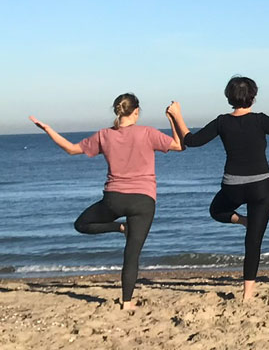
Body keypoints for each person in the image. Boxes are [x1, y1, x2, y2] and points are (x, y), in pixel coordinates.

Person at [29, 94, 183, 310]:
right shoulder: (147, 132)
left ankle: (120, 228)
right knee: (132, 254)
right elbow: (178, 145)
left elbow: (71, 149)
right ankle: (127, 302)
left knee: (81, 224)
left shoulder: (104, 135)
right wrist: (172, 119)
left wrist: (48, 130)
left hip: (114, 199)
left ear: (117, 111)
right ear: (136, 112)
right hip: (144, 201)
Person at [168, 77, 269, 299]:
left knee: (217, 211)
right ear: (253, 96)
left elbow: (192, 141)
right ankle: (247, 294)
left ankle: (243, 221)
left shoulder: (222, 122)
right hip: (263, 188)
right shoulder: (260, 120)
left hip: (233, 186)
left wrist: (176, 116)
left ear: (229, 97)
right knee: (253, 241)